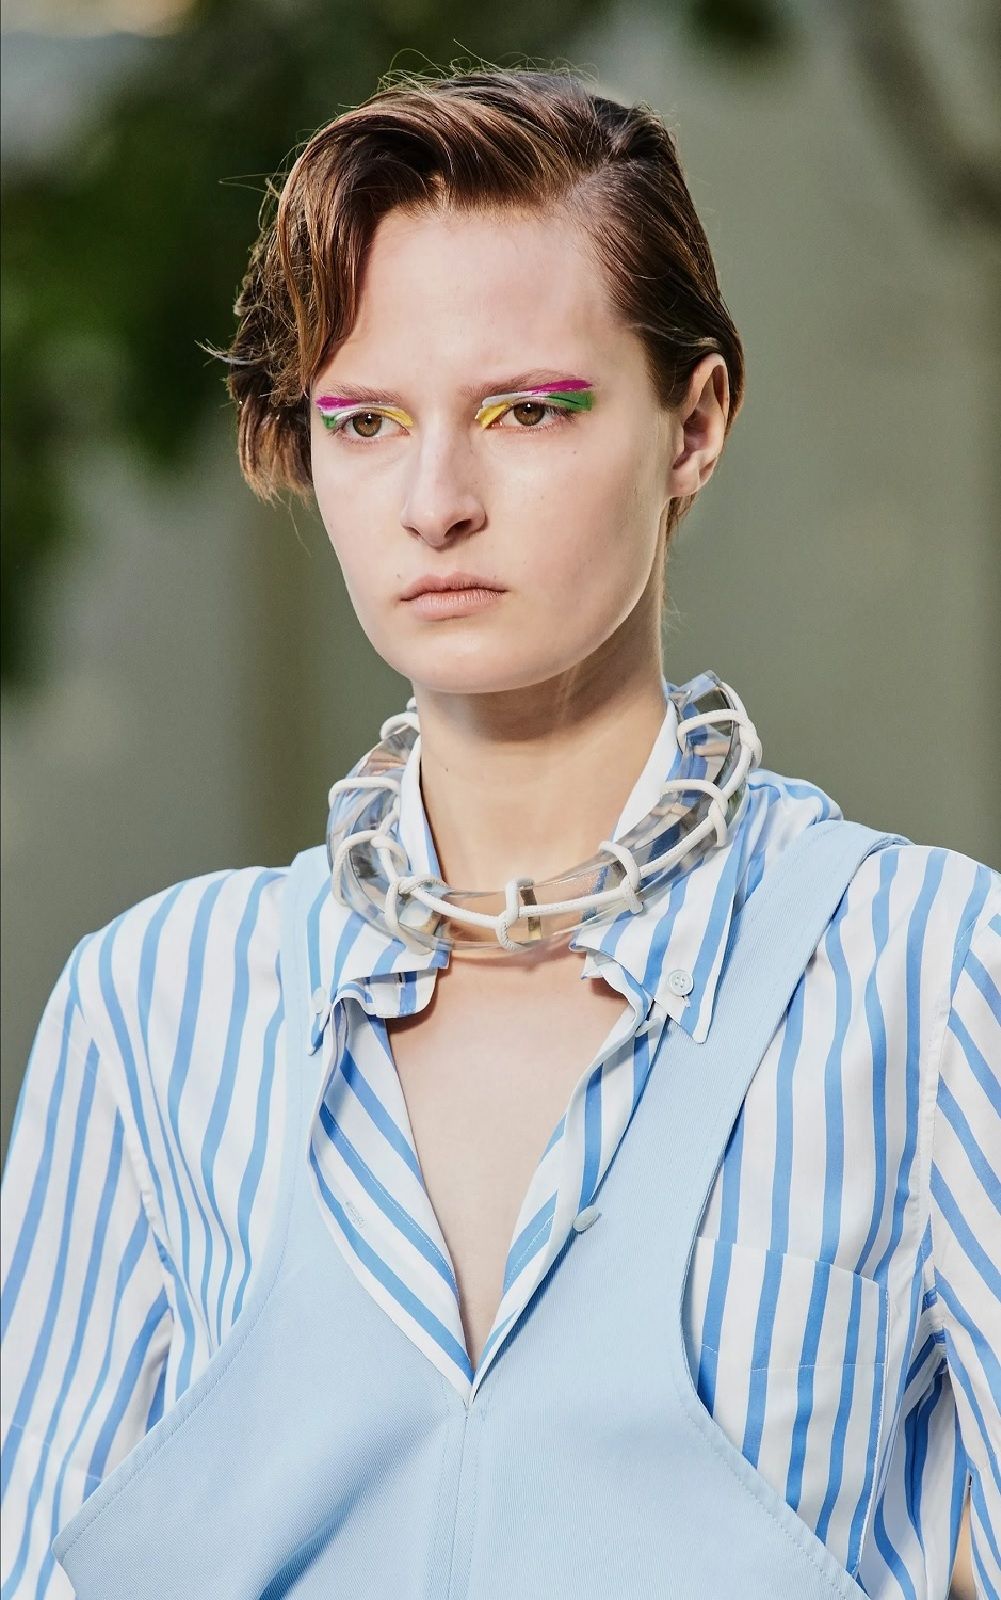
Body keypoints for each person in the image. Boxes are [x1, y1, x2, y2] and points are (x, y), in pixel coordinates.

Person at [1, 63, 998, 1600]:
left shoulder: (930, 979)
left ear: (692, 424)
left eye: (526, 409)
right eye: (364, 420)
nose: (435, 499)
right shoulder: (154, 1006)